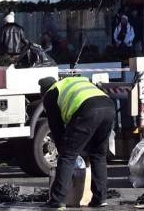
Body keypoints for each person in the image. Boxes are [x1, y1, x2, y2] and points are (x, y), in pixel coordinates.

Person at [41, 73, 114, 211]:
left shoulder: (50, 94)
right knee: (98, 154)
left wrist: (63, 147)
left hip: (88, 108)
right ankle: (100, 198)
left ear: (43, 92)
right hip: (108, 106)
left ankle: (58, 200)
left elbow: (57, 129)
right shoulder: (69, 82)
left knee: (67, 156)